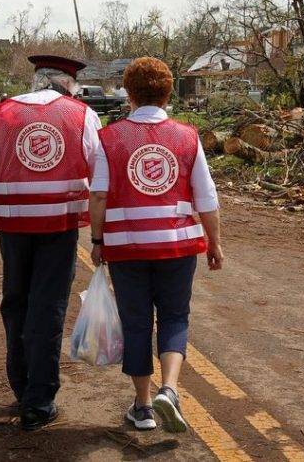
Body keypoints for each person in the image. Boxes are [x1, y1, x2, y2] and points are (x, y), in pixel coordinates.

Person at [0, 54, 101, 431]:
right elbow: (102, 178)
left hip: (14, 227)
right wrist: (106, 231)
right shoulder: (81, 114)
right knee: (47, 307)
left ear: (36, 80)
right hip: (59, 227)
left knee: (16, 302)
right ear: (67, 83)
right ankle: (39, 399)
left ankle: (23, 387)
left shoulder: (3, 114)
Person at [89, 57, 224, 434]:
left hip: (127, 249)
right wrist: (214, 242)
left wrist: (97, 241)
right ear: (167, 93)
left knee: (136, 323)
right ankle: (170, 389)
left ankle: (144, 406)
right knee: (175, 317)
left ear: (129, 93)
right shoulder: (187, 137)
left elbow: (98, 196)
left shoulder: (110, 138)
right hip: (177, 248)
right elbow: (207, 197)